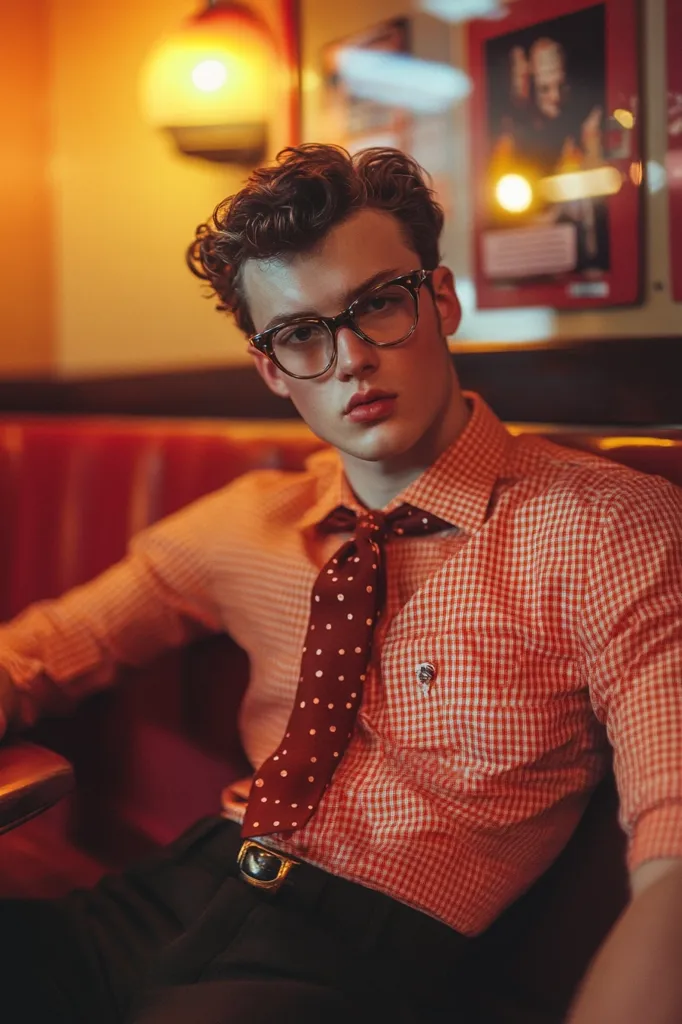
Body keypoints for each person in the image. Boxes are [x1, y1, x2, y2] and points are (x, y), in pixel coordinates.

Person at [0, 144, 681, 1024]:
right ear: (271, 369)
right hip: (175, 890)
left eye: (378, 307)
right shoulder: (249, 521)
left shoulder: (608, 524)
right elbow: (48, 648)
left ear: (439, 300)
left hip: (353, 950)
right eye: (302, 334)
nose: (351, 358)